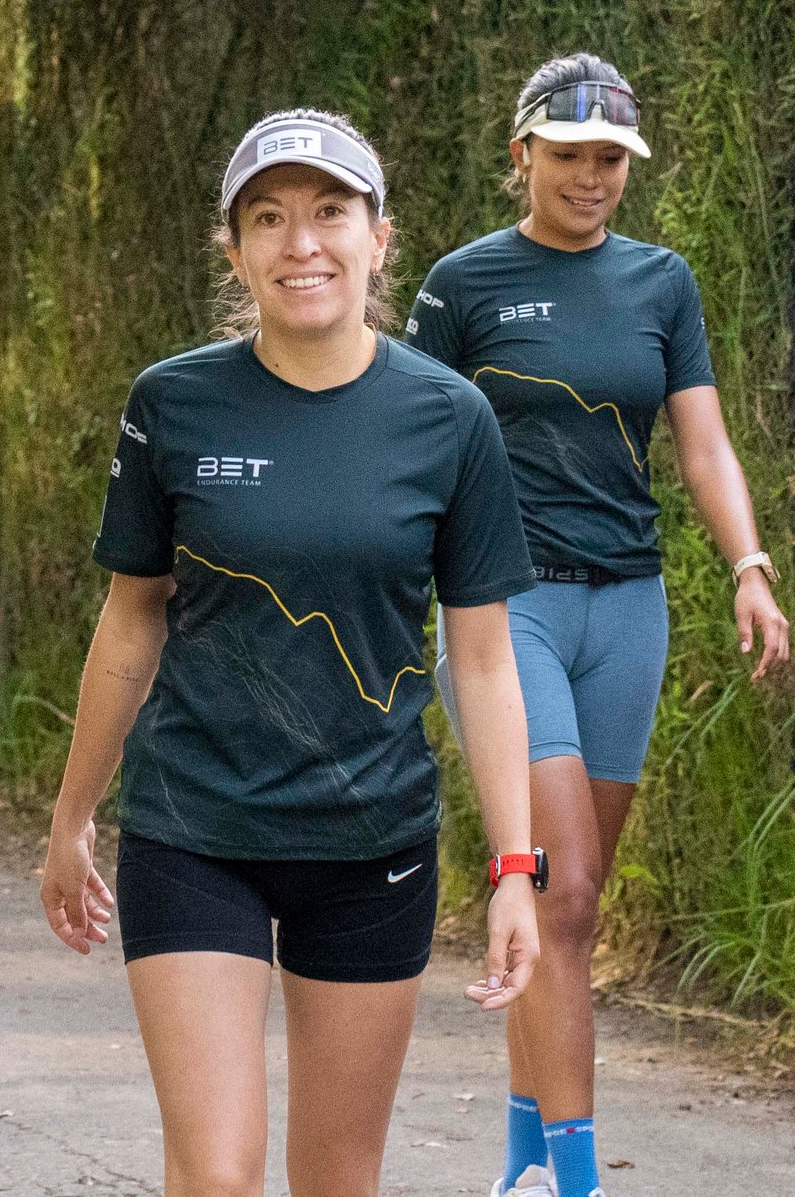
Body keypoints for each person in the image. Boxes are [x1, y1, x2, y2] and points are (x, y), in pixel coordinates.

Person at [42, 108, 548, 1197]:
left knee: (336, 1178)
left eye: (329, 212)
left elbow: (483, 661)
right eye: (267, 218)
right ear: (233, 249)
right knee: (219, 1175)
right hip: (194, 828)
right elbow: (131, 618)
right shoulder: (173, 402)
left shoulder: (450, 418)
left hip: (373, 843)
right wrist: (73, 816)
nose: (301, 242)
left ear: (379, 237)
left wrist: (515, 868)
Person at [406, 56, 792, 1197]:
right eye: (570, 154)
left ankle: (523, 1163)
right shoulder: (465, 284)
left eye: (611, 158)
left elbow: (703, 444)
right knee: (563, 888)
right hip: (506, 610)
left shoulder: (662, 283)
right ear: (522, 155)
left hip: (629, 610)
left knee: (568, 910)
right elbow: (407, 441)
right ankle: (578, 1183)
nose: (592, 176)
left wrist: (749, 565)